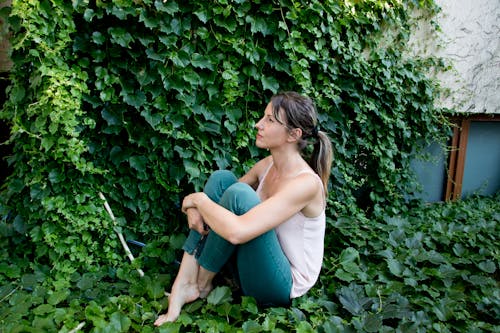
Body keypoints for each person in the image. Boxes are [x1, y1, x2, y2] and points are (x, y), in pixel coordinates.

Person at [154, 91, 333, 326]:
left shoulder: (306, 184)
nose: (258, 124)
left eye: (270, 120)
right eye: (263, 117)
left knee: (239, 195)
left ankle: (199, 284)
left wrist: (197, 201)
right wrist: (197, 206)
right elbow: (222, 201)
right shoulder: (268, 165)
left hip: (279, 283)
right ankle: (187, 282)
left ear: (293, 134)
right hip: (249, 264)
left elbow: (236, 230)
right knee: (221, 180)